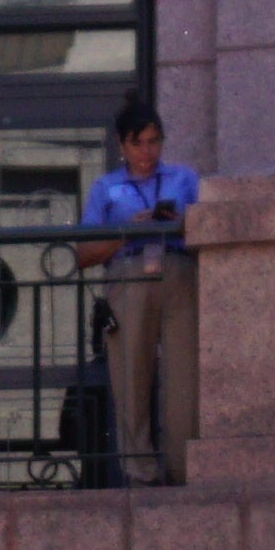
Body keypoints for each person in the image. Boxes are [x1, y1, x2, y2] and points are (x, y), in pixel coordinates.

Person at [75, 103, 203, 487]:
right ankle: (141, 471)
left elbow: (211, 229)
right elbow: (82, 254)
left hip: (178, 271)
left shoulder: (184, 179)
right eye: (138, 144)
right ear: (121, 145)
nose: (147, 152)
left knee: (185, 377)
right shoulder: (106, 187)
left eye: (154, 142)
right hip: (129, 273)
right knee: (131, 371)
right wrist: (126, 231)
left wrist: (179, 226)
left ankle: (185, 469)